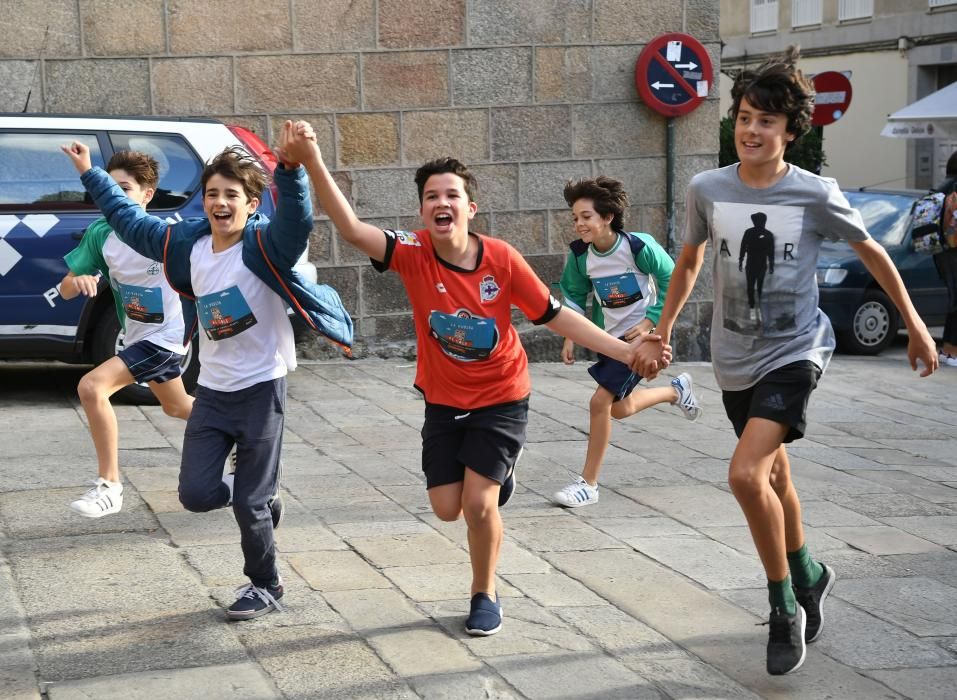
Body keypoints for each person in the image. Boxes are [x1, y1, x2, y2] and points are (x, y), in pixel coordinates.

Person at [284, 130, 660, 637]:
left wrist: (626, 351)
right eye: (431, 196)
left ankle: (485, 593)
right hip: (442, 400)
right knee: (446, 507)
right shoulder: (412, 252)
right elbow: (351, 229)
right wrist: (310, 160)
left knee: (478, 506)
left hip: (502, 396)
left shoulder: (501, 259)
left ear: (471, 208)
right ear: (422, 212)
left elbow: (555, 316)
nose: (442, 203)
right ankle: (498, 476)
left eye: (451, 195)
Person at [635, 48, 938, 676]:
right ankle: (811, 573)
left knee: (746, 475)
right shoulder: (708, 188)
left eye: (766, 121)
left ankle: (782, 609)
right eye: (745, 117)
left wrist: (913, 325)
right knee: (776, 481)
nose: (751, 130)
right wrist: (661, 332)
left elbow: (874, 254)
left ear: (790, 132)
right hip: (733, 356)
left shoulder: (814, 192)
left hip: (797, 350)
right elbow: (690, 261)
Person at [62, 121, 353, 621]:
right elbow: (129, 221)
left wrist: (290, 168)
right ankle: (258, 496)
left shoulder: (266, 247)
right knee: (196, 496)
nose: (220, 202)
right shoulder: (187, 244)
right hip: (214, 390)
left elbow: (297, 223)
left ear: (251, 204)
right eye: (213, 193)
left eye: (231, 195)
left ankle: (264, 584)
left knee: (249, 503)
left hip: (262, 388)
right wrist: (92, 174)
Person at [60, 150, 194, 518]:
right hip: (137, 337)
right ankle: (240, 435)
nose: (114, 198)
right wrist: (79, 280)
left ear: (147, 196)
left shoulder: (165, 235)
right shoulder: (100, 234)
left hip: (168, 338)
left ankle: (110, 487)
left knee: (92, 387)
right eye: (110, 189)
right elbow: (65, 287)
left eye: (124, 189)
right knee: (176, 406)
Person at [553, 176, 700, 508]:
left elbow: (673, 279)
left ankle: (588, 484)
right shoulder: (580, 256)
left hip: (640, 343)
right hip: (609, 342)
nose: (579, 224)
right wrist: (569, 336)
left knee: (599, 403)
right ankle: (676, 391)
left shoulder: (637, 247)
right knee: (618, 408)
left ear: (607, 217)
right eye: (575, 218)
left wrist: (652, 324)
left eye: (586, 216)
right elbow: (574, 296)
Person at [933, 151, 957, 366]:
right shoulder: (955, 189)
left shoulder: (942, 186)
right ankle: (951, 352)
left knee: (953, 300)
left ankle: (947, 351)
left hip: (941, 250)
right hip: (954, 249)